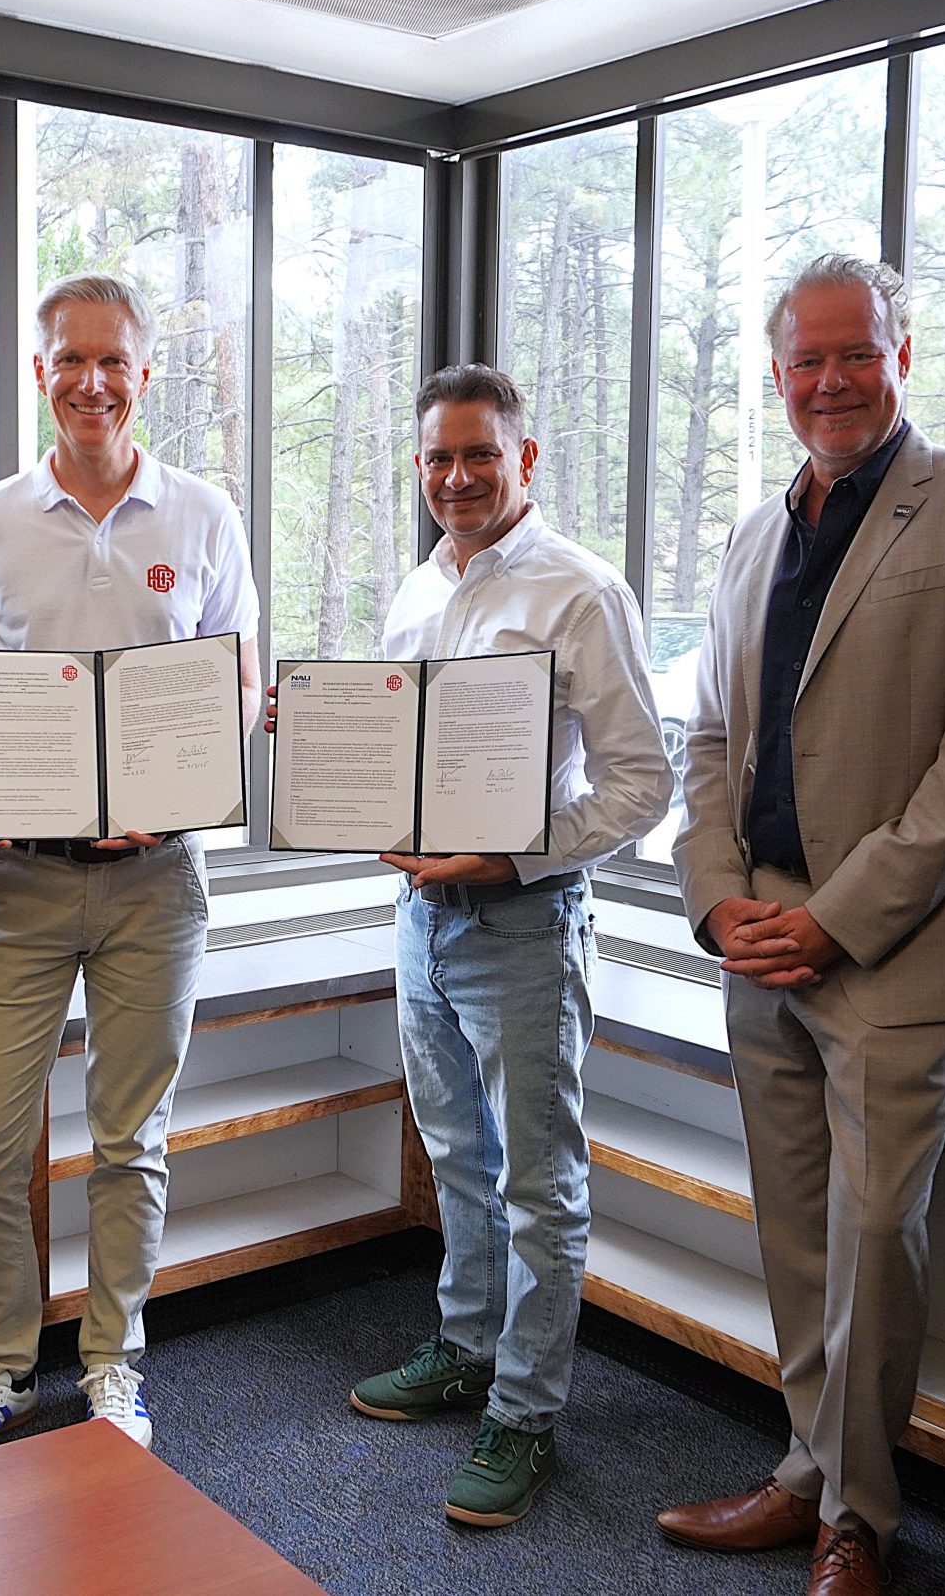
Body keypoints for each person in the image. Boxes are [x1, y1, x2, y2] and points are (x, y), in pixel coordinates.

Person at [658, 254, 945, 1595]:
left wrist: (836, 919)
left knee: (876, 1236)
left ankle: (863, 1516)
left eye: (856, 353)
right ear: (775, 375)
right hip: (756, 930)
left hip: (892, 945)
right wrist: (718, 898)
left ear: (904, 351)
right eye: (804, 360)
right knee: (797, 1228)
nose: (830, 381)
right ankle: (801, 1470)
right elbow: (711, 734)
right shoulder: (757, 530)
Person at [296, 365, 672, 1527]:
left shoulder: (580, 589)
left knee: (538, 1181)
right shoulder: (420, 589)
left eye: (480, 456)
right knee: (456, 1153)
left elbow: (643, 782)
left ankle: (525, 1410)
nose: (456, 477)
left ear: (527, 458)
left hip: (523, 923)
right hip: (422, 919)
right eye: (436, 459)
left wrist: (512, 858)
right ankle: (465, 1347)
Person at [0, 273, 257, 1460]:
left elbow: (238, 682)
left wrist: (180, 792)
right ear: (42, 371)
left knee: (130, 1137)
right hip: (19, 882)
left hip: (160, 882)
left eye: (114, 361)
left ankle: (113, 1361)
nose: (92, 380)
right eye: (71, 360)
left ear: (144, 375)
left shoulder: (204, 514)